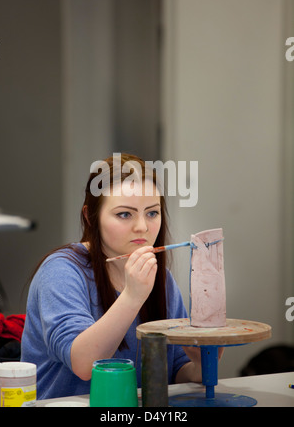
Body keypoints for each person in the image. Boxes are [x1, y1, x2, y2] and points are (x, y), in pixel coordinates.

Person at [21, 153, 210, 400]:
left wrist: (201, 365)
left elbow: (175, 373)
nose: (142, 226)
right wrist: (132, 296)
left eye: (152, 213)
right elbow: (84, 363)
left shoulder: (160, 279)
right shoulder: (61, 271)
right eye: (124, 214)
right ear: (90, 217)